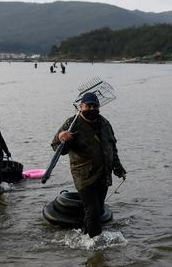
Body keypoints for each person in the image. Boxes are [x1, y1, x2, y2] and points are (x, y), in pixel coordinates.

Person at [51, 92, 126, 237]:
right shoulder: (71, 123)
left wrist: (118, 168)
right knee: (92, 210)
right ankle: (95, 246)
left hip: (104, 175)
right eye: (88, 106)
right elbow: (57, 148)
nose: (92, 109)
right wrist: (62, 138)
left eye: (95, 106)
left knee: (96, 210)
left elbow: (112, 148)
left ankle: (86, 237)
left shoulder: (105, 123)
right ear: (81, 107)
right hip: (84, 176)